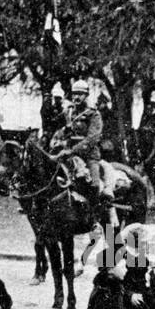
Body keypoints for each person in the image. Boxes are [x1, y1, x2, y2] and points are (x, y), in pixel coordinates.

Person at [50, 80, 114, 232]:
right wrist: (58, 139)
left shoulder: (94, 114)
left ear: (86, 95)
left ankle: (95, 219)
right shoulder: (69, 112)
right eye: (74, 94)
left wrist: (72, 150)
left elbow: (92, 138)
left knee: (94, 184)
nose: (77, 97)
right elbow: (63, 130)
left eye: (80, 94)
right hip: (68, 154)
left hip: (89, 155)